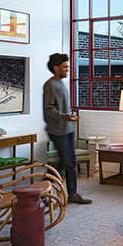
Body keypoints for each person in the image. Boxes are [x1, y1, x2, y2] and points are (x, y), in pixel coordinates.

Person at [43, 53, 92, 205]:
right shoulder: (50, 85)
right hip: (57, 131)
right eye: (64, 67)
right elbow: (49, 110)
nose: (67, 69)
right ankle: (44, 191)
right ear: (55, 68)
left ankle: (70, 193)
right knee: (66, 163)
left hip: (68, 129)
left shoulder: (61, 83)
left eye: (68, 66)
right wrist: (66, 116)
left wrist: (69, 118)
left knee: (67, 163)